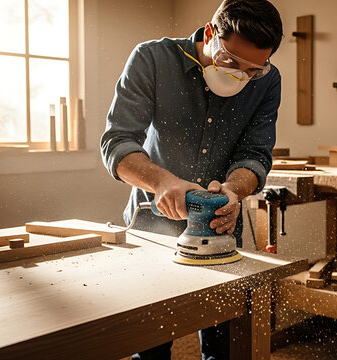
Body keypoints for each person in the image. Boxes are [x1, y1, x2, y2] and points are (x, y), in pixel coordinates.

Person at [100, 0, 283, 358]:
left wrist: (232, 191)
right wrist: (163, 182)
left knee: (224, 346)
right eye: (230, 61)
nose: (239, 76)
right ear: (211, 33)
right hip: (152, 224)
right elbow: (117, 143)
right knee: (150, 346)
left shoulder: (268, 80)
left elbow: (255, 154)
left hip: (220, 224)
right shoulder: (153, 59)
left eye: (252, 70)